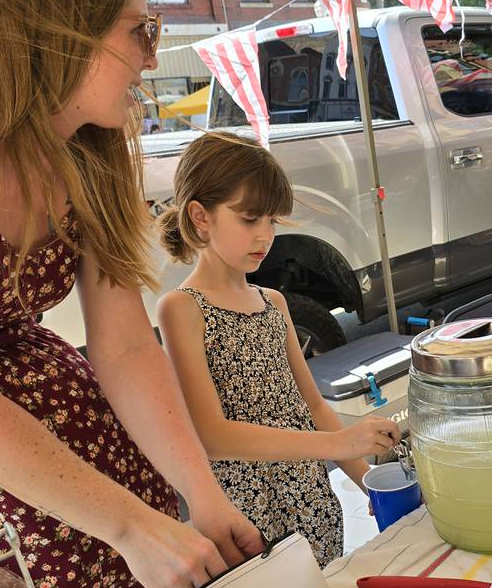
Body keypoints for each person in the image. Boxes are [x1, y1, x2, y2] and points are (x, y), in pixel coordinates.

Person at [0, 0, 264, 587]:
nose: (152, 59)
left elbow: (124, 347)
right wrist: (132, 528)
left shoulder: (90, 148)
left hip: (75, 458)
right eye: (141, 31)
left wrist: (204, 495)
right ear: (54, 30)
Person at [156, 132, 402, 567]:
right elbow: (213, 438)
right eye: (250, 219)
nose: (265, 235)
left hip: (312, 499)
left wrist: (371, 483)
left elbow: (314, 408)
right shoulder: (181, 308)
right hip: (248, 518)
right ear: (200, 216)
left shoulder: (275, 302)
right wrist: (340, 443)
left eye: (272, 221)